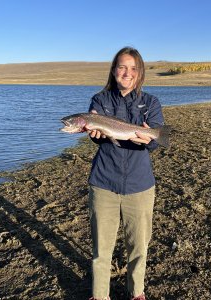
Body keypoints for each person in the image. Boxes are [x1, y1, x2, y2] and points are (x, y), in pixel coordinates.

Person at [86, 47, 166, 300]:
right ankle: (100, 295)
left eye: (133, 68)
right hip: (103, 182)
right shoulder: (99, 101)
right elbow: (99, 139)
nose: (127, 73)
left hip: (140, 184)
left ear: (140, 72)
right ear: (113, 70)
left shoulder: (151, 102)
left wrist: (150, 139)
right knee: (102, 248)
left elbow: (155, 141)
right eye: (122, 67)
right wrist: (95, 134)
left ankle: (137, 293)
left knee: (138, 246)